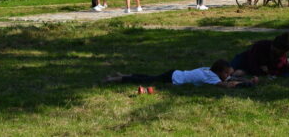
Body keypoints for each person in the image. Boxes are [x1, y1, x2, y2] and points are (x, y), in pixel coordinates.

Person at [104, 59, 257, 88]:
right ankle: (116, 79)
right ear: (220, 72)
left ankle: (123, 74)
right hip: (173, 78)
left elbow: (231, 78)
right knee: (147, 80)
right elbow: (226, 85)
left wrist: (246, 79)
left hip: (175, 73)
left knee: (147, 76)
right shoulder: (211, 77)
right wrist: (246, 84)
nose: (228, 75)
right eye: (227, 73)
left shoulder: (210, 70)